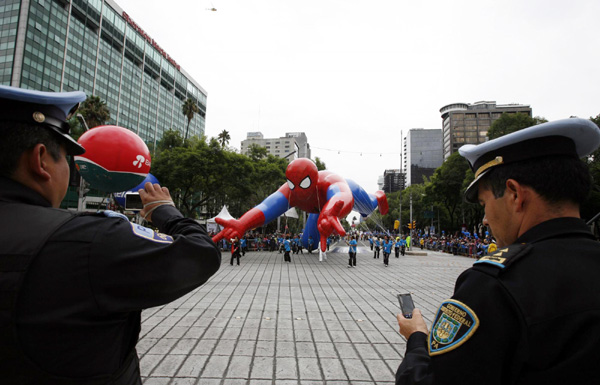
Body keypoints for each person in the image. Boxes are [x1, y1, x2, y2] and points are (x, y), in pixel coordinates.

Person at [0, 86, 222, 384]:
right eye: (67, 157)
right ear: (40, 160)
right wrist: (166, 212)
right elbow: (201, 253)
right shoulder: (90, 240)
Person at [395, 118, 600, 385]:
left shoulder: (494, 285)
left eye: (484, 203)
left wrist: (417, 340)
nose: (485, 220)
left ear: (514, 194)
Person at [212, 158, 388, 252]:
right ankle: (324, 215)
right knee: (308, 245)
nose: (297, 191)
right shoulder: (291, 190)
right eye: (292, 185)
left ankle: (378, 196)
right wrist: (243, 223)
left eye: (303, 184)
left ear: (313, 180)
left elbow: (343, 195)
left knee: (369, 206)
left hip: (346, 192)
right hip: (319, 209)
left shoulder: (329, 180)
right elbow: (266, 207)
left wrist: (329, 212)